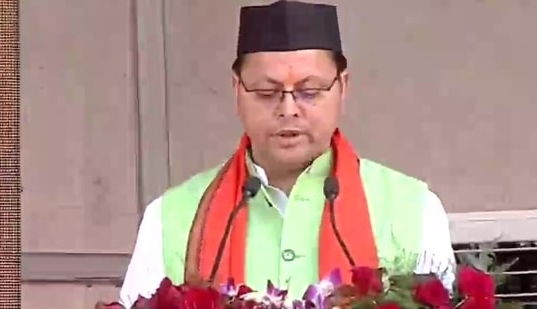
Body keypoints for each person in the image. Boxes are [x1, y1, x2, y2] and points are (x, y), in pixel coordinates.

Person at [119, 1, 456, 308]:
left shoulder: (415, 209)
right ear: (237, 90)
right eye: (267, 92)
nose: (289, 109)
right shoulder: (170, 218)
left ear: (343, 86)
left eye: (310, 92)